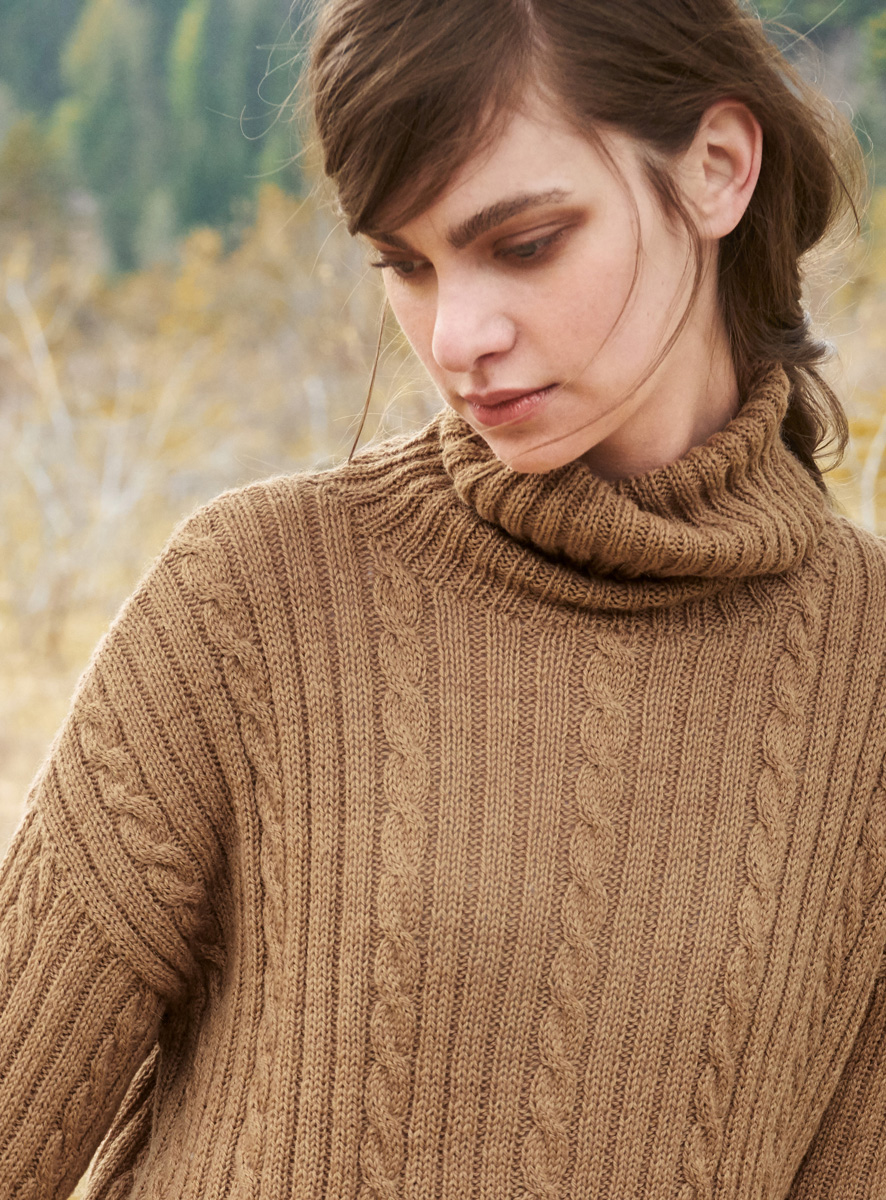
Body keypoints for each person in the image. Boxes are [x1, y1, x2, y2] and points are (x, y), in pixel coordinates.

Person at [1, 0, 885, 1197]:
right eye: (404, 265)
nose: (456, 335)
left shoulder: (867, 673)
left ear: (718, 168)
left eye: (524, 244)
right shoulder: (256, 597)